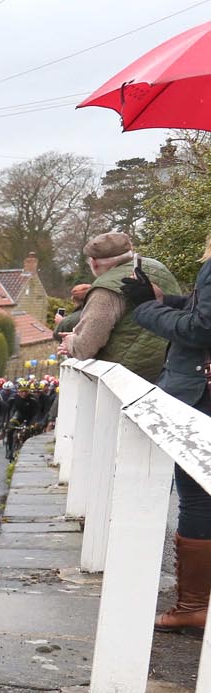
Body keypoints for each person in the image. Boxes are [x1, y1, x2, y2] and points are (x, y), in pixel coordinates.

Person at [125, 236, 211, 631]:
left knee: (198, 498)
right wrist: (165, 301)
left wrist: (146, 309)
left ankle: (194, 605)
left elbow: (201, 329)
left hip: (202, 395)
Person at [58, 232, 182, 379]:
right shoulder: (158, 268)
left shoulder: (106, 289)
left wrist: (71, 342)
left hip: (129, 375)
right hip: (173, 364)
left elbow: (86, 346)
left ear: (94, 262)